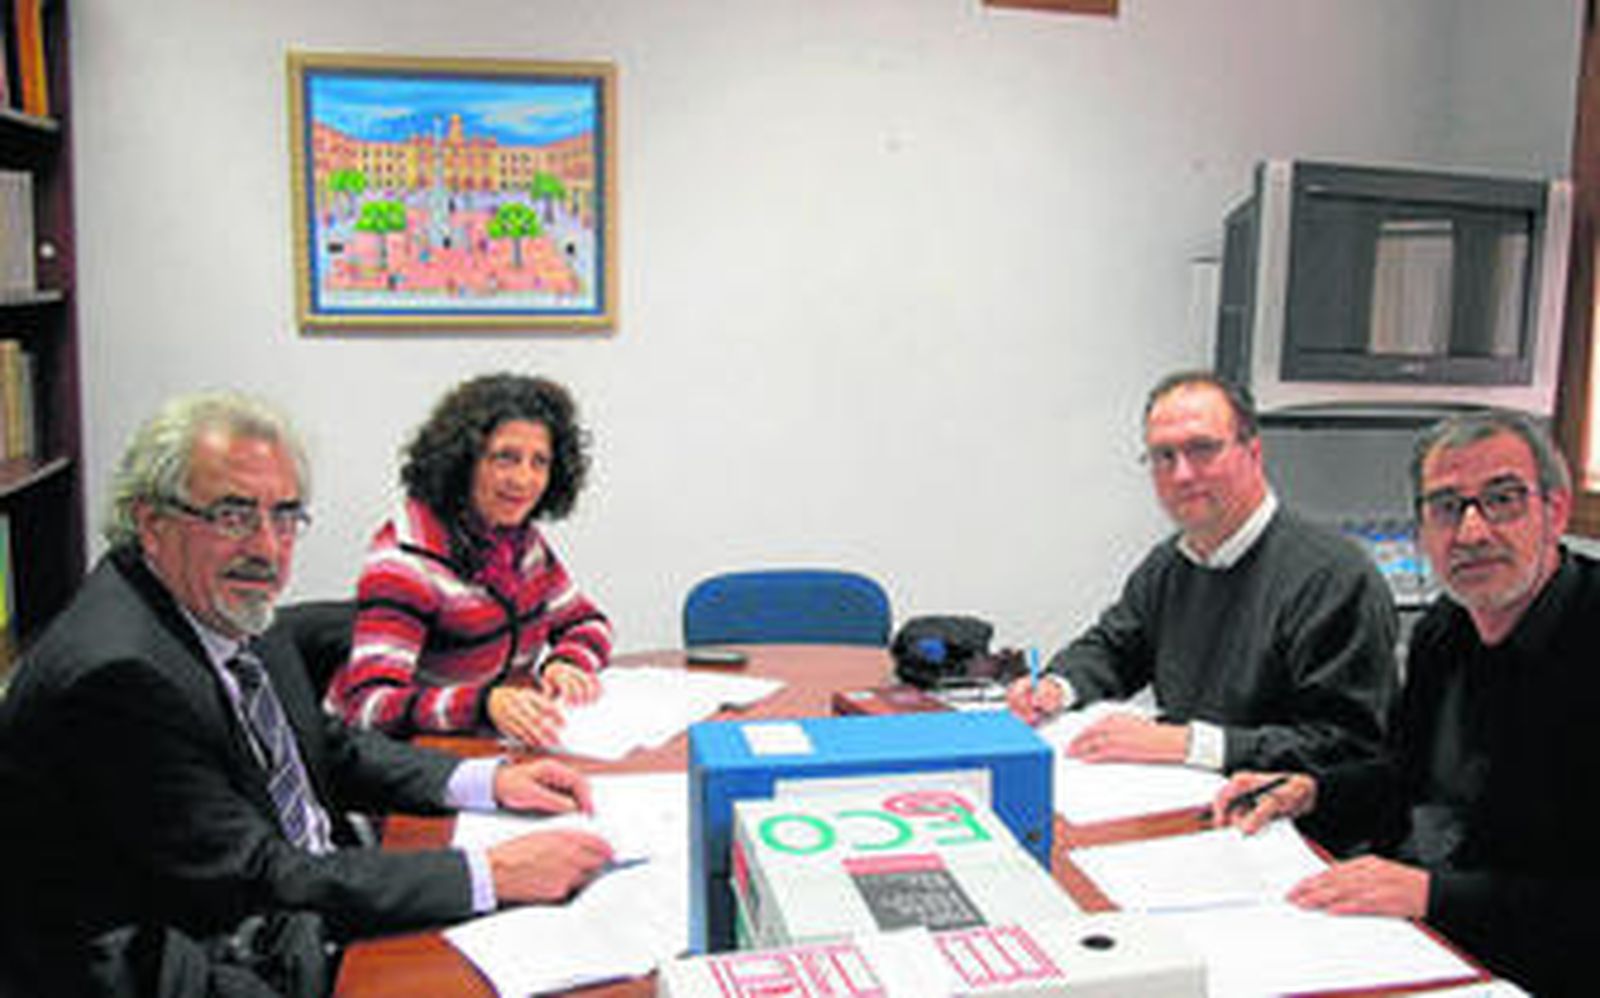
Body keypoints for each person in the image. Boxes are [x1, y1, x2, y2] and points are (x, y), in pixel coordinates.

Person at [0, 392, 615, 995]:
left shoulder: (224, 606)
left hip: (293, 903)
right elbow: (256, 877)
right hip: (196, 958)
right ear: (151, 522)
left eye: (285, 515)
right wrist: (492, 873)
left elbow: (326, 746)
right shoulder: (119, 677)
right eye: (233, 515)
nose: (267, 548)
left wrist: (487, 782)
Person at [1214, 408, 1599, 996]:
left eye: (1502, 499)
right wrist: (1312, 791)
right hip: (1424, 942)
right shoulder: (1444, 630)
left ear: (1556, 511)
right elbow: (1409, 780)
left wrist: (1429, 893)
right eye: (1446, 508)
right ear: (1421, 530)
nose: (1471, 532)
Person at [1007, 371, 1397, 773]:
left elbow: (1349, 747)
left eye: (1202, 449)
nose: (1182, 475)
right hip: (1195, 805)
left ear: (1254, 453)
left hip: (1292, 827)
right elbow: (1114, 648)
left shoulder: (1333, 577)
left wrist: (1189, 744)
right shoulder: (1170, 565)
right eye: (1164, 456)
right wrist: (1056, 687)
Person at [324, 373, 612, 746]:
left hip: (483, 749)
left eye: (539, 462)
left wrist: (566, 663)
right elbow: (368, 708)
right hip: (399, 767)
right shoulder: (406, 560)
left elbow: (588, 622)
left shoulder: (519, 544)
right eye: (505, 458)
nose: (524, 480)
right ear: (463, 461)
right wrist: (482, 704)